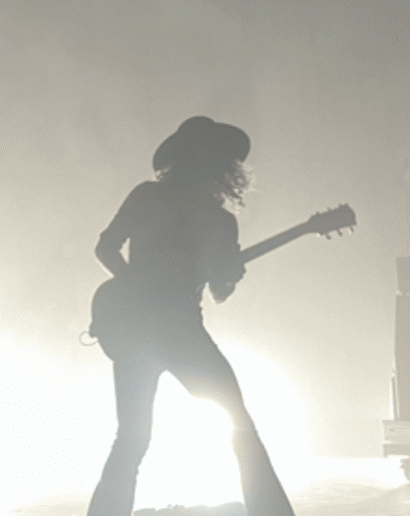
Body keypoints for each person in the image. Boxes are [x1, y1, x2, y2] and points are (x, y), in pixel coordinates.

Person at [86, 117, 294, 516]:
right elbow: (220, 292)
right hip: (181, 332)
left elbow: (106, 248)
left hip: (136, 332)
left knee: (130, 440)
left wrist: (134, 289)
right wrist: (227, 277)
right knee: (242, 428)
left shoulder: (149, 197)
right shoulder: (217, 220)